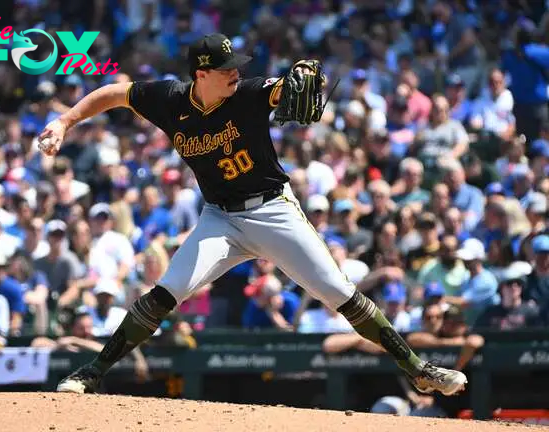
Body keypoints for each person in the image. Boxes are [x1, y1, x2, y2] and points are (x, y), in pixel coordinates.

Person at [38, 33, 466, 395]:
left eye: (237, 65)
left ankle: (419, 371)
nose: (236, 73)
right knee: (166, 291)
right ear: (201, 74)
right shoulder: (168, 99)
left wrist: (295, 81)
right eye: (226, 68)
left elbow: (279, 88)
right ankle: (91, 372)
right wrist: (65, 121)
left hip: (272, 210)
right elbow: (117, 93)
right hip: (219, 219)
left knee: (340, 293)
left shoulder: (246, 93)